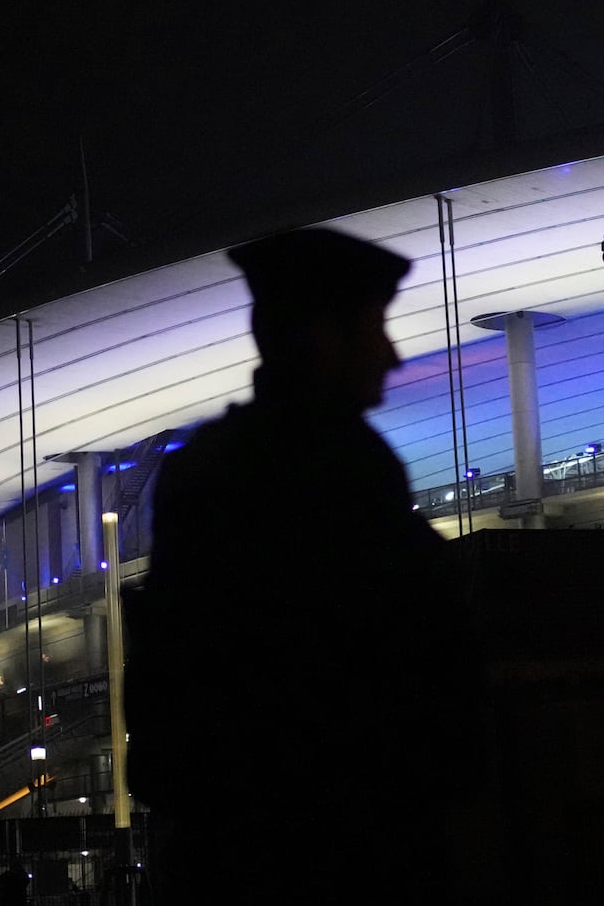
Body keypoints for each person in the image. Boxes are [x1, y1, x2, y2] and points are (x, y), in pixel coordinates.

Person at [125, 227, 483, 902]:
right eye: (375, 327)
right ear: (322, 338)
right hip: (343, 856)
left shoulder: (201, 469)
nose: (393, 353)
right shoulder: (346, 469)